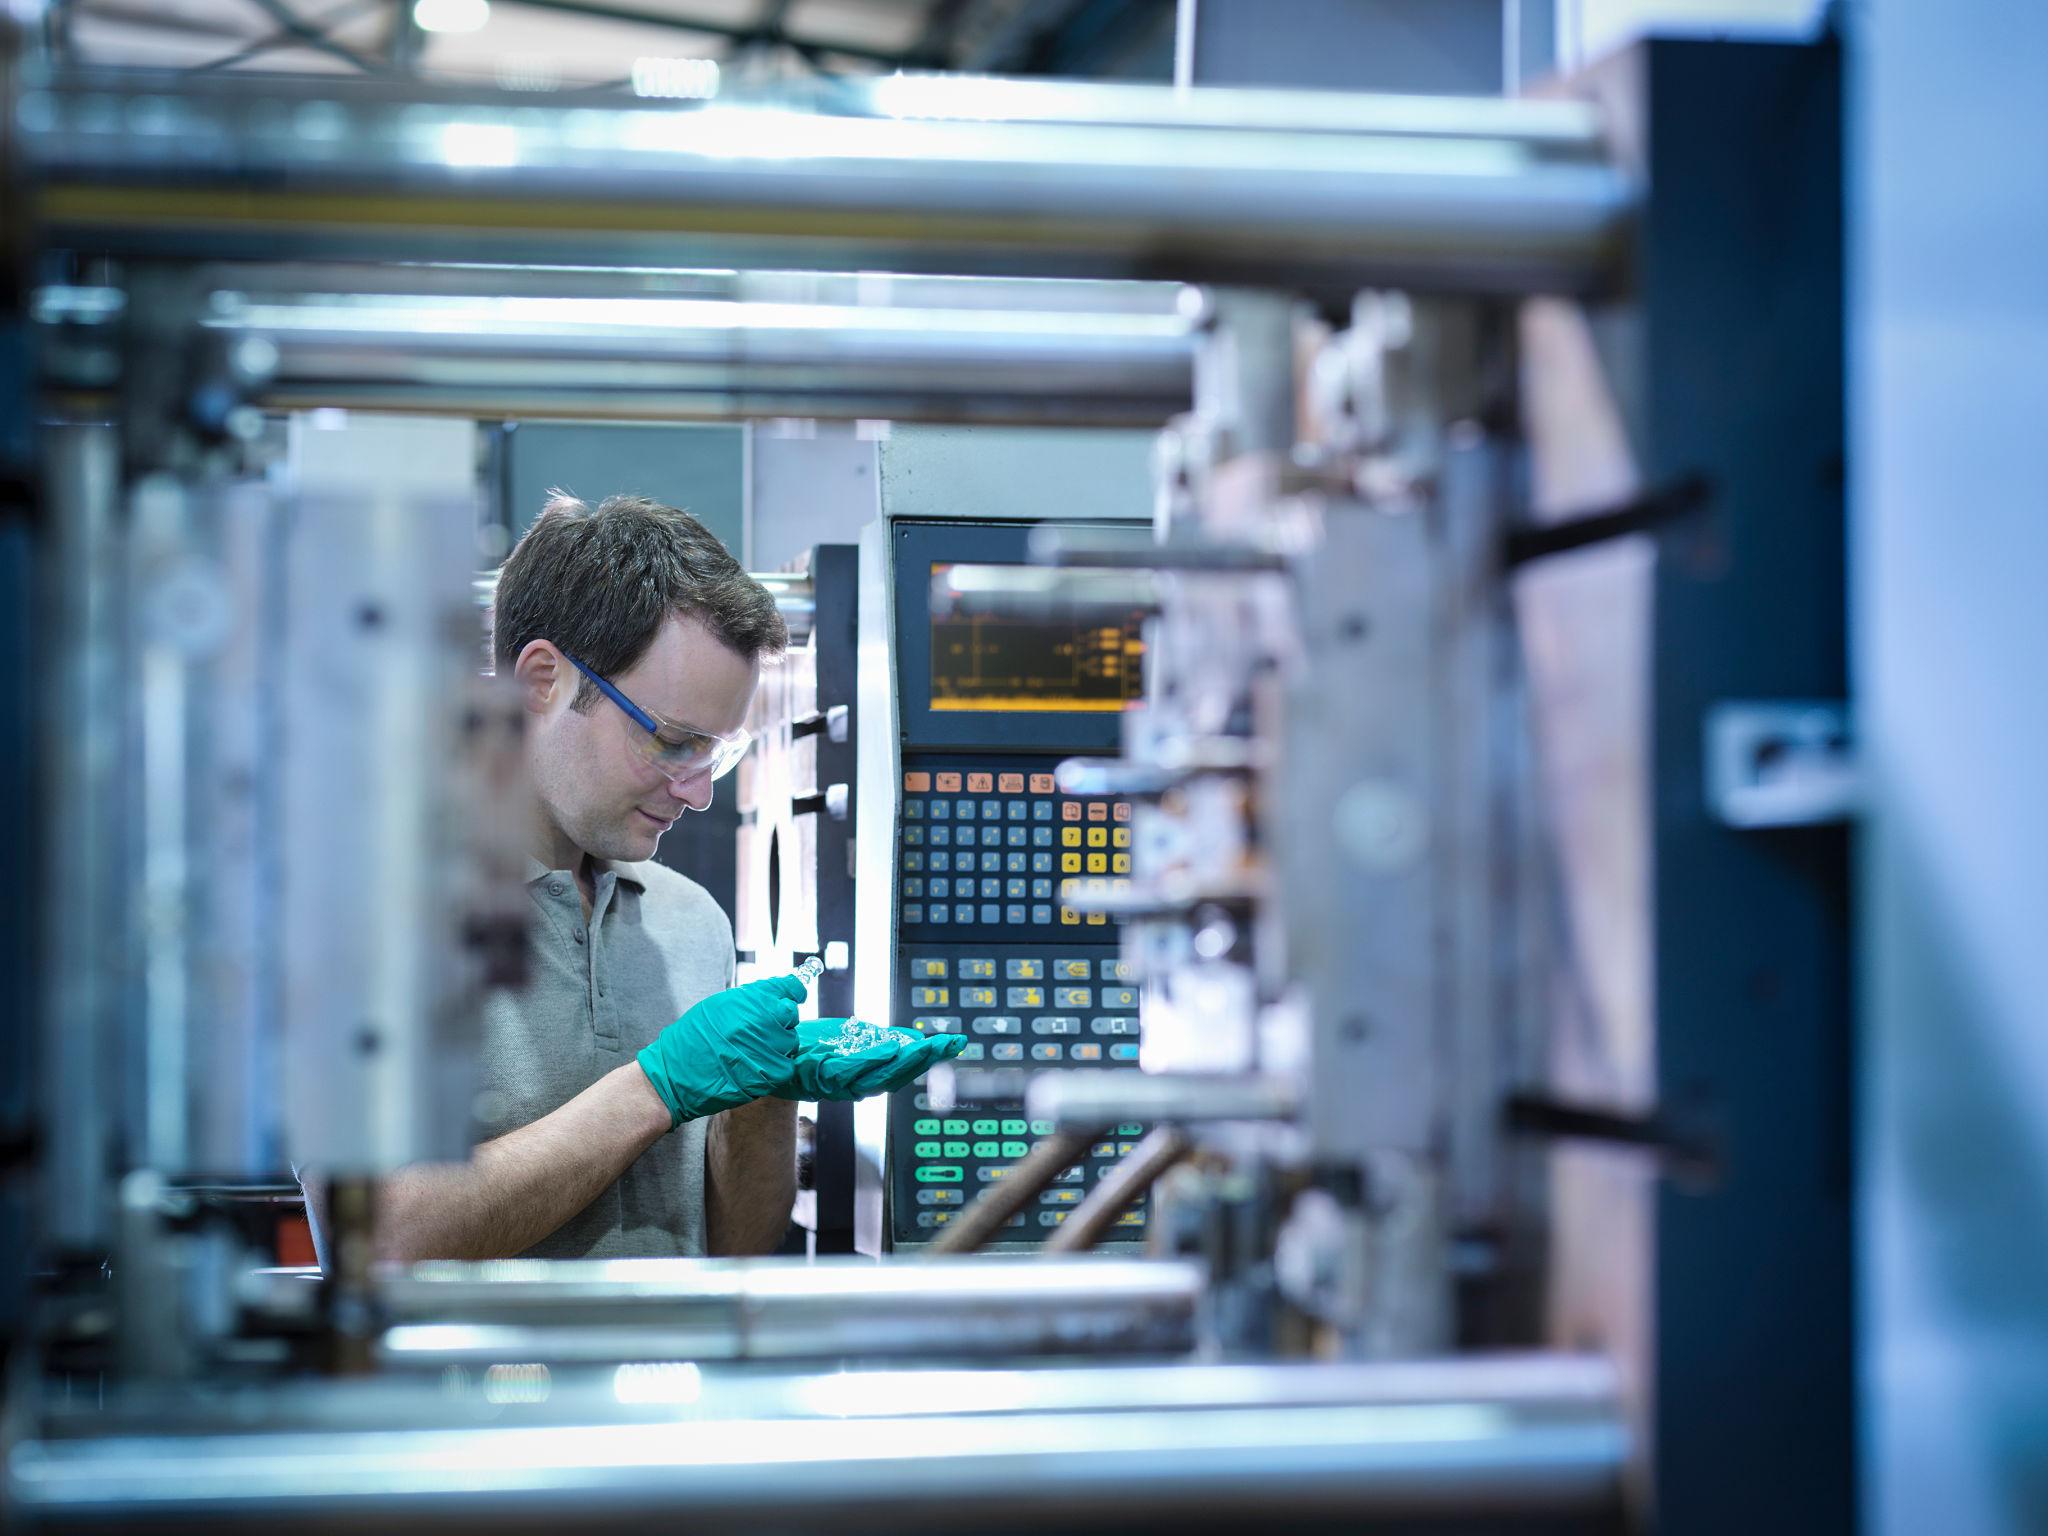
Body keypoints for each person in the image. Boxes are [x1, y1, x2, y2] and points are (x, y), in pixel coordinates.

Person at [301, 492, 957, 1266]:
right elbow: (375, 1236)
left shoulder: (692, 923)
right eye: (674, 742)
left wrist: (766, 1090)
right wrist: (653, 1091)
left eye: (716, 752)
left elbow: (735, 1246)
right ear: (542, 680)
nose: (699, 790)